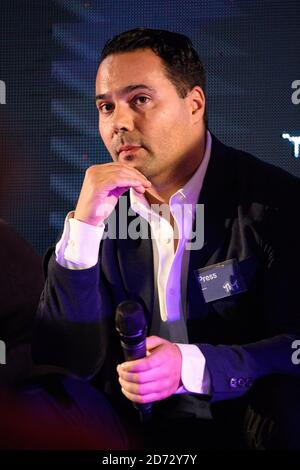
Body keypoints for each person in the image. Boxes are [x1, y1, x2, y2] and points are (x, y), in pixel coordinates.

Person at [31, 28, 300, 450]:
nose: (119, 122)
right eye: (106, 106)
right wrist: (83, 228)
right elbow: (63, 364)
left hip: (242, 420)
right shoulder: (101, 214)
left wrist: (191, 365)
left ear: (194, 104)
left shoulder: (275, 203)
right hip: (128, 428)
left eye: (139, 100)